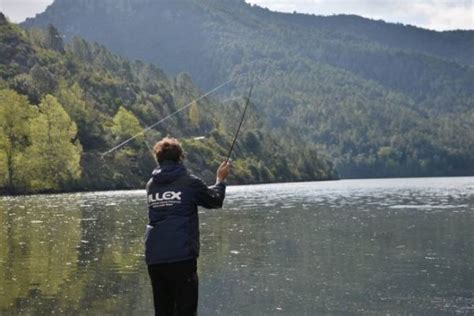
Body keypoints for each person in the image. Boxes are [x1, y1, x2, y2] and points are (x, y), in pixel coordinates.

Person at [145, 136, 231, 316]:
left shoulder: (151, 185)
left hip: (155, 258)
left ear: (158, 159)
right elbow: (215, 200)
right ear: (180, 157)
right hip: (181, 257)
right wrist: (220, 180)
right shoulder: (189, 182)